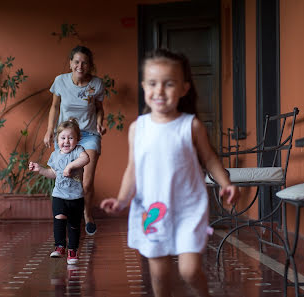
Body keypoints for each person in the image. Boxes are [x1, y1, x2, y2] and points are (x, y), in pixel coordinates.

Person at [100, 49, 239, 297]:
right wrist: (122, 200)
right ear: (144, 86)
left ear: (184, 89)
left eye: (169, 84)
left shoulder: (190, 126)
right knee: (160, 274)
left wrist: (225, 183)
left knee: (189, 270)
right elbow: (133, 168)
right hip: (152, 210)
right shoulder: (138, 129)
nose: (159, 91)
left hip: (188, 208)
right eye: (152, 83)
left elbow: (209, 159)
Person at [45, 45, 105, 236]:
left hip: (88, 135)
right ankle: (69, 214)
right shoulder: (60, 81)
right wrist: (49, 131)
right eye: (76, 62)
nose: (80, 66)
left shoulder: (97, 84)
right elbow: (54, 107)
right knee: (65, 176)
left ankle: (87, 214)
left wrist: (100, 123)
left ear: (90, 65)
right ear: (71, 63)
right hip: (65, 135)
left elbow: (99, 108)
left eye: (85, 62)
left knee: (86, 182)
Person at [30, 118, 90, 264]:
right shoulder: (55, 155)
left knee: (74, 225)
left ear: (77, 139)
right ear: (57, 139)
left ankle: (73, 251)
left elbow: (85, 159)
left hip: (75, 197)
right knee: (59, 218)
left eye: (71, 138)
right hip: (59, 195)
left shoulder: (78, 151)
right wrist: (41, 170)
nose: (66, 141)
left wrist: (70, 167)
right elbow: (54, 173)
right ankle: (60, 246)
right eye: (63, 138)